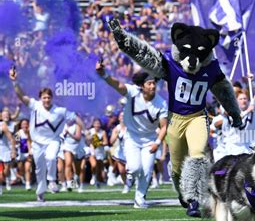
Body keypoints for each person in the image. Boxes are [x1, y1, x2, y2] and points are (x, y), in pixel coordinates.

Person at [96, 60, 168, 208]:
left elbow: (164, 126)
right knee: (135, 168)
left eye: (154, 83)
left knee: (147, 170)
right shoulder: (133, 92)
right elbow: (117, 84)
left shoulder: (161, 103)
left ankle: (140, 199)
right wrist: (104, 74)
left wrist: (157, 142)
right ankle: (129, 177)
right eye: (149, 83)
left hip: (150, 140)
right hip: (132, 137)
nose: (153, 86)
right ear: (142, 86)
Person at [9, 66, 82, 202]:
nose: (46, 100)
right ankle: (41, 191)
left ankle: (52, 181)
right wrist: (15, 82)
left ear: (52, 98)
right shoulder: (35, 105)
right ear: (40, 98)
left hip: (53, 141)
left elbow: (75, 118)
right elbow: (21, 96)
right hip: (37, 143)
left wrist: (87, 131)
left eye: (48, 97)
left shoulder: (59, 110)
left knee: (51, 157)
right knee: (39, 170)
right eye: (44, 98)